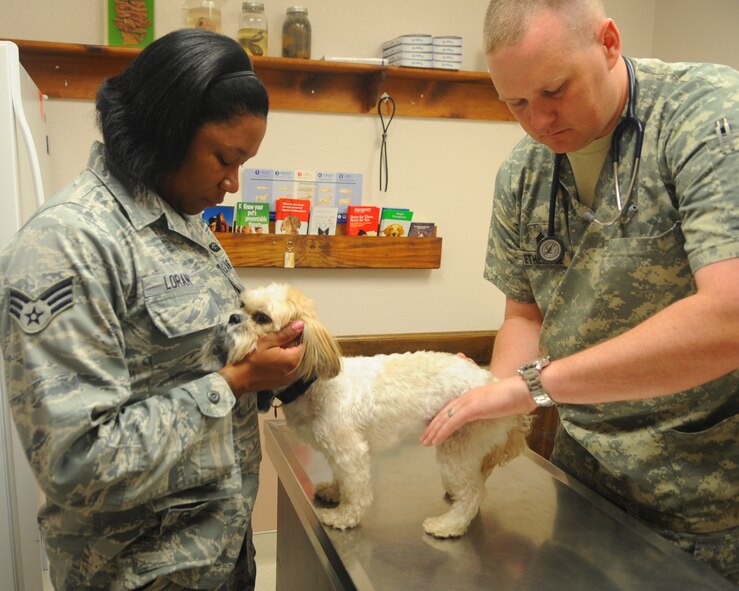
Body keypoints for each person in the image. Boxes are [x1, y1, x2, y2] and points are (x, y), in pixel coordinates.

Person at [421, 0, 738, 583]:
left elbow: (730, 318)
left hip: (710, 501)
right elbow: (526, 314)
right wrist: (487, 404)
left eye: (554, 90)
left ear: (609, 42)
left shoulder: (709, 116)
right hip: (587, 483)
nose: (539, 121)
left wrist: (533, 387)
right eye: (515, 103)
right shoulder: (525, 171)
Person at [0, 29, 305, 590]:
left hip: (218, 560)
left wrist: (267, 364)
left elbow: (189, 359)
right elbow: (77, 463)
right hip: (136, 574)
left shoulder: (182, 221)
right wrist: (233, 383)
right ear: (167, 130)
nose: (232, 184)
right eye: (224, 158)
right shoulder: (67, 246)